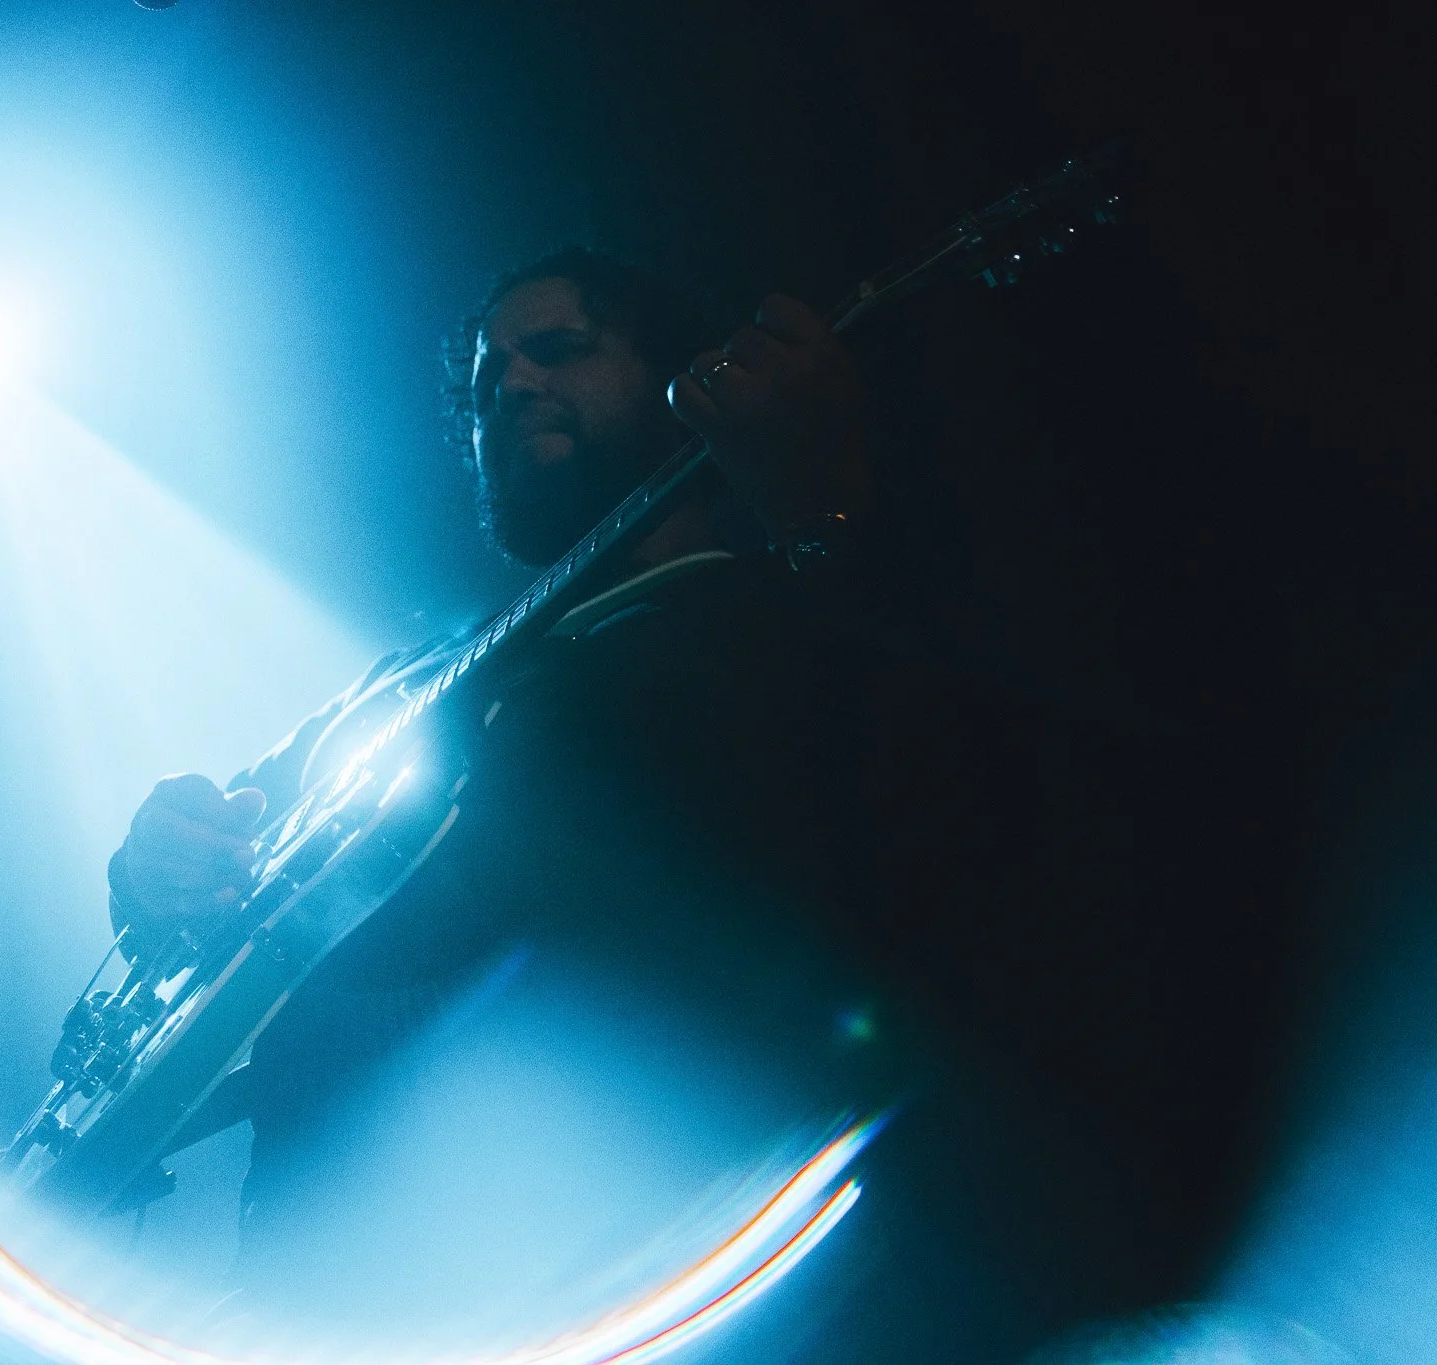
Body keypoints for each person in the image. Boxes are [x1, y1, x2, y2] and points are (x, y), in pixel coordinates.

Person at [100, 248, 1219, 1358]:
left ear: (689, 380)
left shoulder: (780, 629)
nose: (515, 386)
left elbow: (954, 829)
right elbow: (208, 865)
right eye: (489, 383)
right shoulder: (405, 685)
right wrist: (154, 870)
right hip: (301, 1274)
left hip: (609, 1268)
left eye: (558, 350)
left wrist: (824, 529)